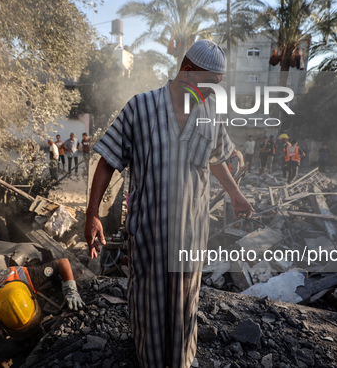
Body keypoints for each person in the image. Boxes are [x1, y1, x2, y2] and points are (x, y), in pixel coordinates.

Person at [84, 40, 253, 368]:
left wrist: (235, 193)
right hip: (149, 232)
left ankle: (180, 361)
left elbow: (215, 158)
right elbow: (107, 160)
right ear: (187, 72)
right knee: (148, 300)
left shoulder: (209, 114)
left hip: (191, 232)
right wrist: (92, 214)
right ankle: (147, 358)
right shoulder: (140, 108)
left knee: (185, 301)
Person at [0, 258, 83, 368]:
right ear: (0, 322)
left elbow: (63, 262)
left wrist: (71, 290)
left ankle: (29, 342)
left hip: (8, 281)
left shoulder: (29, 276)